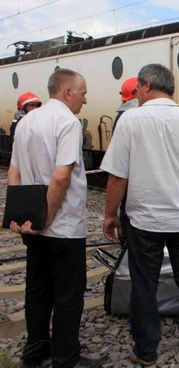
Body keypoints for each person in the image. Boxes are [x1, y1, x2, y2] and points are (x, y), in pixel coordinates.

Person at [100, 63, 179, 365]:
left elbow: (117, 178)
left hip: (144, 222)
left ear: (145, 85)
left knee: (145, 285)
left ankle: (147, 350)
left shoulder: (130, 121)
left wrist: (110, 215)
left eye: (137, 89)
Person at [7, 69, 105, 367]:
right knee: (67, 295)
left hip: (32, 229)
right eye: (83, 92)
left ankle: (35, 351)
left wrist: (23, 216)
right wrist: (45, 218)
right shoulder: (67, 122)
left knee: (37, 290)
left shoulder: (25, 122)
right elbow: (61, 177)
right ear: (67, 92)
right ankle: (66, 358)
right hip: (62, 229)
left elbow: (14, 172)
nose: (85, 100)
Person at [113, 77, 140, 248]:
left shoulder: (121, 118)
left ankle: (127, 247)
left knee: (127, 211)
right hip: (138, 178)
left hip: (129, 180)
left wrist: (110, 213)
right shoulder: (135, 117)